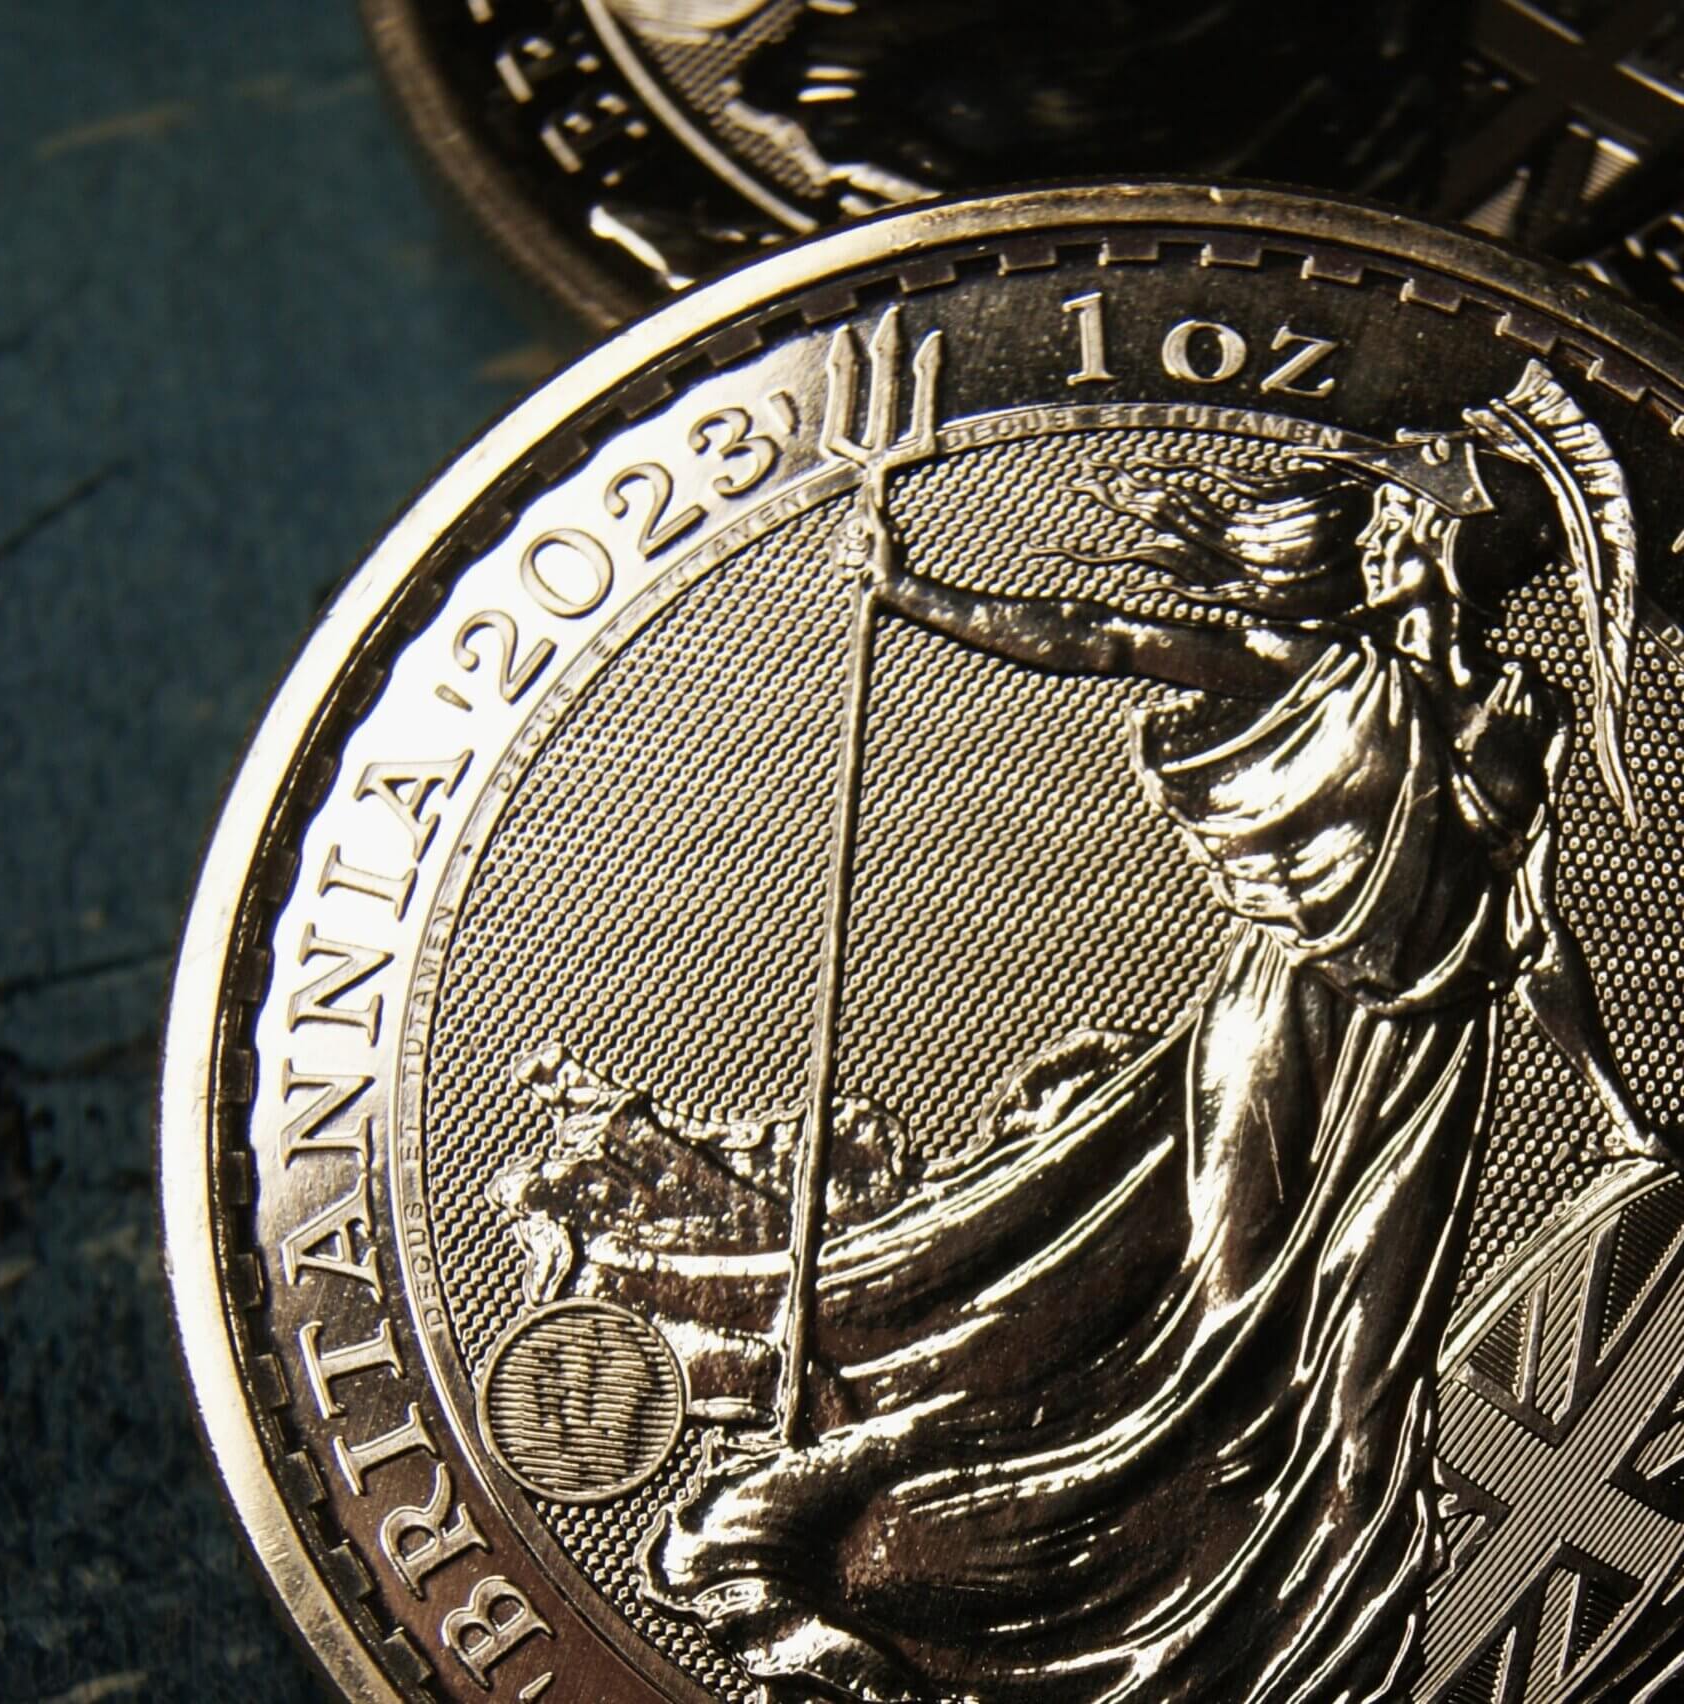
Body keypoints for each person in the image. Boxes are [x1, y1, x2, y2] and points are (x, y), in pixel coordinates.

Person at [638, 368, 1678, 1703]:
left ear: (1455, 554)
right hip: (1282, 1025)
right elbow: (1105, 638)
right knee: (1218, 1337)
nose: (1385, 541)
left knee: (1364, 1374)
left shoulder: (1505, 711)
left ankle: (1312, 1644)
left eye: (1414, 523)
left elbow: (1526, 925)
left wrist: (1618, 1110)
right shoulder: (1306, 666)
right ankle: (1074, 1605)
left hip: (1421, 1071)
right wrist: (919, 595)